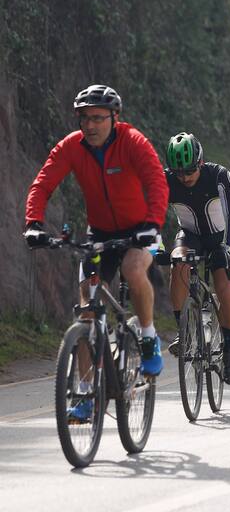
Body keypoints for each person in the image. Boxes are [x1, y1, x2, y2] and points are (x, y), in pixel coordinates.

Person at [24, 85, 168, 420]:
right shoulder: (71, 147)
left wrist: (152, 224)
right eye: (84, 118)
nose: (90, 125)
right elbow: (43, 183)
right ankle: (87, 394)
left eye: (98, 118)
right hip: (100, 234)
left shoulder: (133, 142)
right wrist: (34, 222)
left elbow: (157, 182)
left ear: (115, 118)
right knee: (86, 311)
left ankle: (147, 337)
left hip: (141, 230)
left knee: (134, 270)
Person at [165, 132, 230, 385]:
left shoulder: (218, 175)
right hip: (190, 236)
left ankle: (229, 350)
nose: (185, 178)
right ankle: (184, 331)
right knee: (178, 264)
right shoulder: (166, 180)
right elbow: (151, 214)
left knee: (224, 285)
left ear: (200, 163)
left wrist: (227, 247)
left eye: (189, 171)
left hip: (221, 237)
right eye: (179, 173)